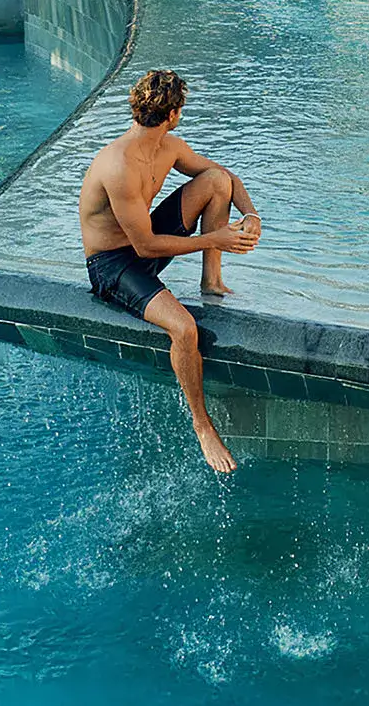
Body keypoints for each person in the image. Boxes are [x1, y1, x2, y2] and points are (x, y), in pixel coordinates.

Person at [78, 67, 262, 472]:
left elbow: (224, 176)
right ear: (174, 112)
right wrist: (215, 239)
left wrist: (250, 213)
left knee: (214, 181)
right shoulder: (118, 165)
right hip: (112, 264)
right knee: (184, 328)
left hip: (142, 247)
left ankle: (212, 281)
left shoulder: (169, 148)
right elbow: (144, 245)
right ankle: (202, 425)